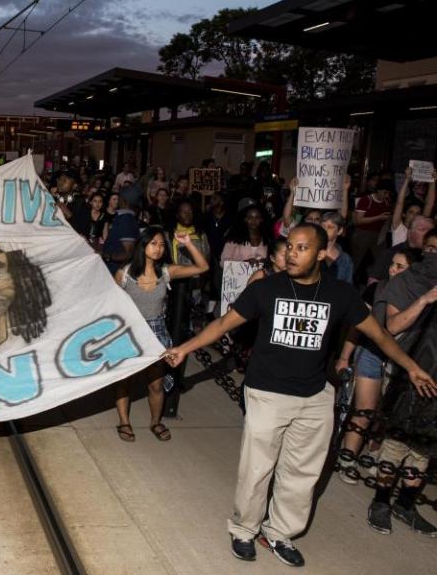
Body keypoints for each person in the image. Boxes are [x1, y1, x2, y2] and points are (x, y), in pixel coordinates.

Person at [163, 224, 435, 567]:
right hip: (266, 392)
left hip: (314, 395)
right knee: (257, 469)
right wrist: (185, 348)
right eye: (289, 246)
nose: (292, 253)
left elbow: (379, 335)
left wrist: (411, 367)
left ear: (322, 253)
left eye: (302, 248)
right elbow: (223, 324)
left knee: (302, 473)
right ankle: (245, 529)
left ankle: (279, 532)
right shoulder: (266, 289)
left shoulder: (341, 293)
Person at [366, 237, 437, 536]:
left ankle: (405, 505)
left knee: (424, 449)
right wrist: (425, 300)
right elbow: (392, 327)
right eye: (432, 249)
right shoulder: (410, 281)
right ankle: (381, 502)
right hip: (409, 372)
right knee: (396, 442)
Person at [114, 226, 209, 442]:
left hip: (156, 332)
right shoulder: (125, 273)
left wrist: (187, 243)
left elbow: (202, 267)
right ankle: (124, 421)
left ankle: (155, 422)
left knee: (156, 383)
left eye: (162, 244)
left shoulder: (166, 272)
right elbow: (110, 304)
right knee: (124, 381)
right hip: (129, 332)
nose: (158, 249)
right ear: (143, 245)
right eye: (153, 243)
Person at [335, 247, 420, 484]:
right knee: (365, 410)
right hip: (371, 354)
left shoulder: (420, 297)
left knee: (387, 415)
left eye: (400, 266)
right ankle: (348, 457)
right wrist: (344, 356)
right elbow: (356, 326)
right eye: (392, 264)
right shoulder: (378, 288)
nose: (393, 269)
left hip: (401, 360)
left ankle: (373, 453)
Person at [320, 211, 353, 283]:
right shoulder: (310, 250)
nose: (324, 230)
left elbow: (347, 286)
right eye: (323, 226)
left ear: (339, 231)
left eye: (330, 227)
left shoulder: (345, 259)